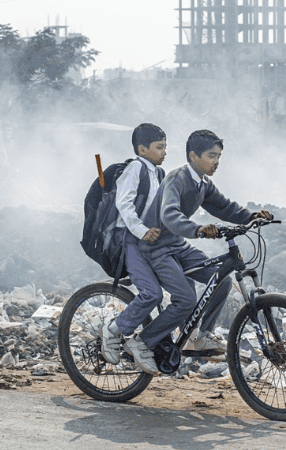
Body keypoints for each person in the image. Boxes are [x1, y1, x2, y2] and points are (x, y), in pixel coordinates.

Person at [107, 129, 272, 375]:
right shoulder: (177, 178)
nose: (216, 161)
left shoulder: (203, 183)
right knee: (186, 300)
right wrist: (198, 229)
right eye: (211, 155)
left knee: (221, 280)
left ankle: (199, 337)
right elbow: (170, 215)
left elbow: (224, 207)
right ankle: (141, 342)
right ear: (193, 156)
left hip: (177, 246)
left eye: (219, 156)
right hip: (156, 248)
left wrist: (251, 216)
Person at [100, 123, 167, 374]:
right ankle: (113, 331)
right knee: (152, 294)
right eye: (159, 147)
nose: (164, 152)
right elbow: (124, 204)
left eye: (165, 147)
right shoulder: (135, 168)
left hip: (151, 242)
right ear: (142, 149)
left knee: (185, 289)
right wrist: (141, 231)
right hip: (131, 241)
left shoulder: (158, 173)